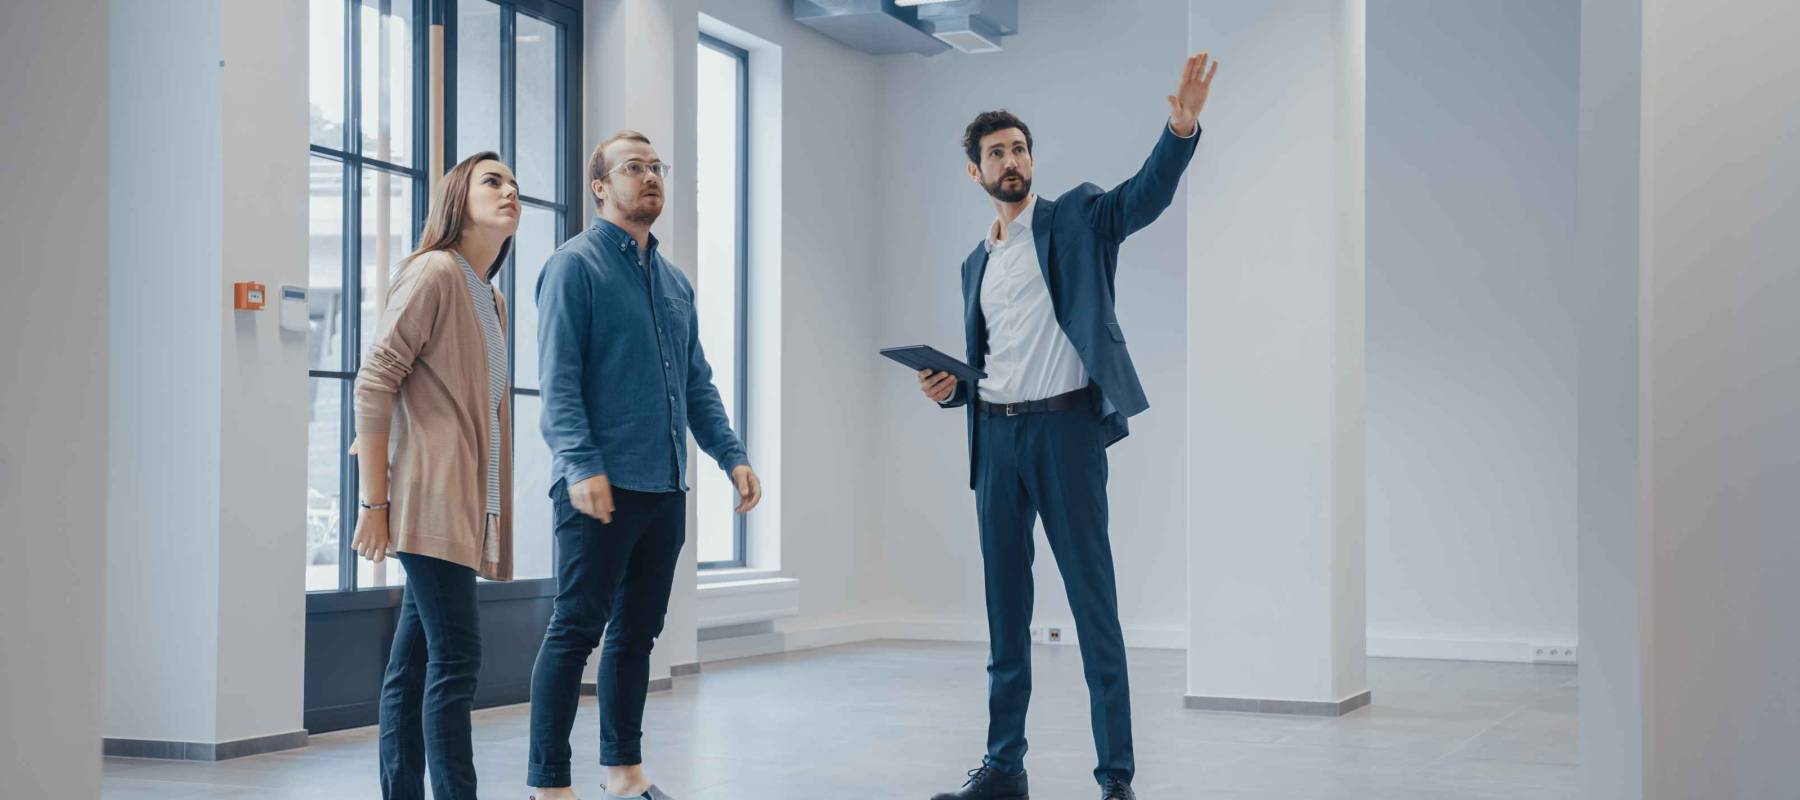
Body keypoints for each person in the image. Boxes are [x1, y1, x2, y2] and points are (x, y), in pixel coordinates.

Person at [917, 53, 1221, 800]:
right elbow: (993, 360)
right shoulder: (973, 265)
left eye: (1019, 148)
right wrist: (951, 388)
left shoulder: (1078, 219)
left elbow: (1140, 200)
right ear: (974, 173)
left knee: (1094, 610)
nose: (1011, 160)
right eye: (996, 153)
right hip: (995, 443)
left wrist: (1179, 130)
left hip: (1067, 438)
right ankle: (1003, 768)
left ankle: (1116, 779)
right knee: (1005, 615)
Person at [526, 130, 762, 800]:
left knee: (637, 635)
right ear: (601, 186)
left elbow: (696, 384)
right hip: (598, 487)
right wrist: (580, 466)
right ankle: (549, 785)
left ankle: (624, 775)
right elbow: (559, 382)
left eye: (657, 167)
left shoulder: (675, 282)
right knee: (575, 630)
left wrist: (732, 456)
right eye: (634, 167)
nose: (650, 176)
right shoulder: (574, 267)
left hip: (663, 487)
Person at [351, 151, 522, 800]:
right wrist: (376, 503)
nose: (509, 191)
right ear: (458, 198)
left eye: (514, 184)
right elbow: (374, 381)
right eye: (492, 181)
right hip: (430, 498)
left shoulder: (491, 298)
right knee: (457, 658)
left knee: (417, 660)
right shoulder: (434, 273)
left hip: (466, 501)